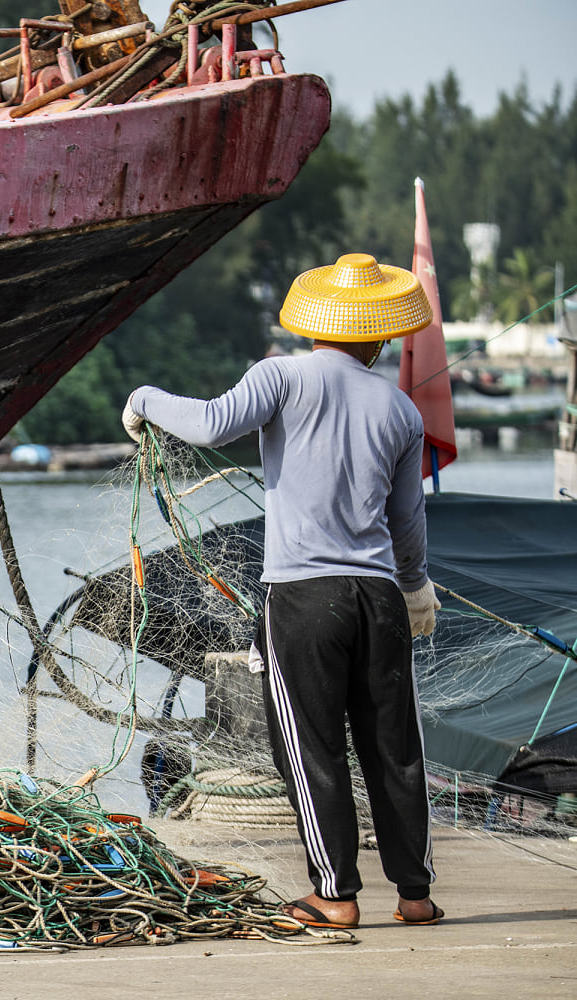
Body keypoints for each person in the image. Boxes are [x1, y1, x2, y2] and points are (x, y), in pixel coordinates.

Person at [122, 253, 444, 929]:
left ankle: (335, 894)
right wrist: (415, 589)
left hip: (303, 596)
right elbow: (407, 523)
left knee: (310, 745)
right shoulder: (401, 408)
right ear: (379, 337)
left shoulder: (282, 375)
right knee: (394, 744)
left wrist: (146, 399)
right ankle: (414, 894)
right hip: (380, 596)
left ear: (316, 324)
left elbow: (210, 425)